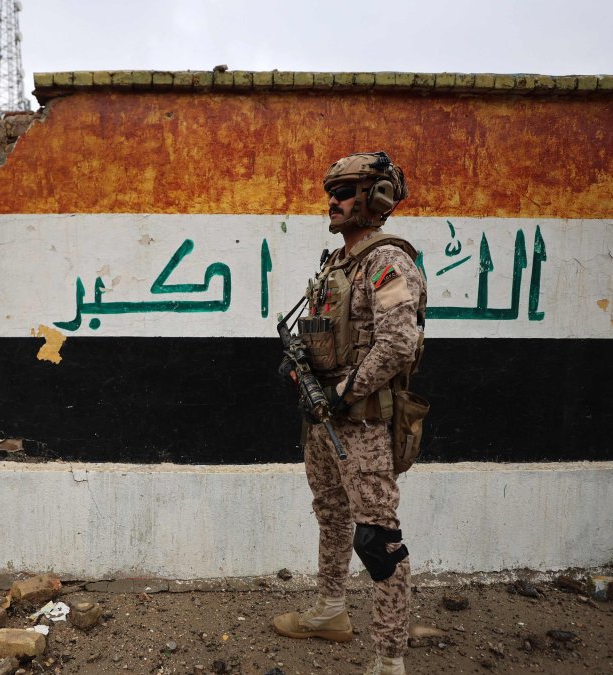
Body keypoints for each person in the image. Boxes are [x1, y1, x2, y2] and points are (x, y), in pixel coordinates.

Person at [272, 152, 424, 675]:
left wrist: (342, 392)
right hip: (322, 419)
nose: (331, 201)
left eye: (343, 191)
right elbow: (326, 336)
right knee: (331, 517)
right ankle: (331, 610)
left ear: (375, 198)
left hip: (363, 425)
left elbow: (399, 345)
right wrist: (304, 370)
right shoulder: (336, 264)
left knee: (377, 540)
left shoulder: (390, 262)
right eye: (329, 191)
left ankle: (389, 658)